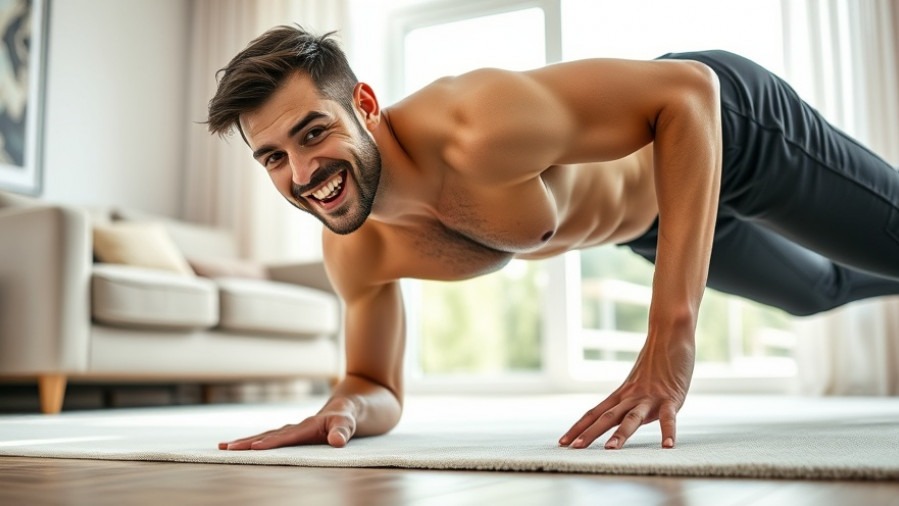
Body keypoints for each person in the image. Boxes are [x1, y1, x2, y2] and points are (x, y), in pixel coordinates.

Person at [207, 25, 899, 451]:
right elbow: (372, 381)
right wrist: (344, 409)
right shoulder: (355, 249)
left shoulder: (474, 123)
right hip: (652, 227)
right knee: (820, 292)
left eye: (312, 132)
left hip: (734, 135)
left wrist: (671, 331)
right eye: (272, 157)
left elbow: (687, 93)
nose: (302, 173)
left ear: (362, 104)